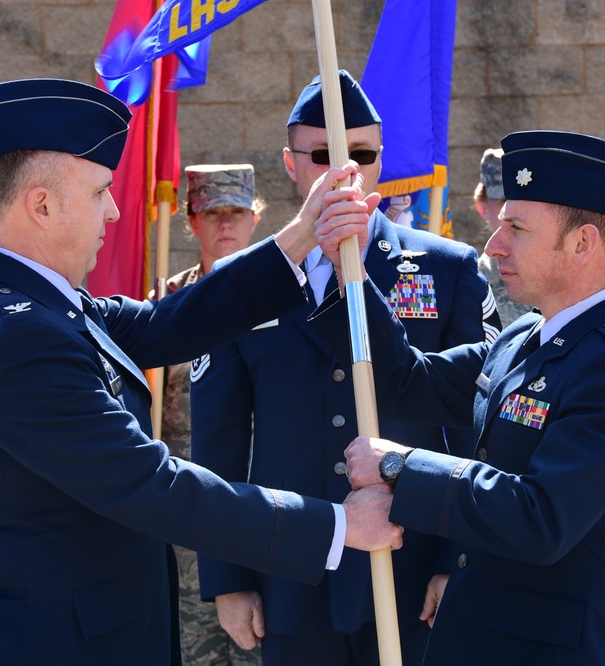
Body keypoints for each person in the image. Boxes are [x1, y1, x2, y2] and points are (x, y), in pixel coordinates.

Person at [0, 77, 401, 665]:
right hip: (57, 644)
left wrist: (303, 234)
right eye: (101, 190)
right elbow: (152, 484)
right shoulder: (17, 337)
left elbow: (164, 323)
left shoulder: (36, 302)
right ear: (42, 206)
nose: (115, 207)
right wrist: (338, 525)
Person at [313, 130, 605, 664]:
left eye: (516, 228)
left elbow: (541, 519)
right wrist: (354, 276)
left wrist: (402, 469)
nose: (493, 244)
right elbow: (408, 383)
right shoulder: (522, 336)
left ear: (583, 243)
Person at [190, 70, 502, 666]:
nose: (346, 168)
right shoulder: (243, 283)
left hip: (412, 563)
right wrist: (228, 577)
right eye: (324, 153)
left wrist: (454, 561)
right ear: (290, 163)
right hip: (292, 567)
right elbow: (219, 443)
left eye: (362, 152)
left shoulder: (445, 268)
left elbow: (473, 427)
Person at [159, 163, 265, 666]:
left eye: (237, 212)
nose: (226, 224)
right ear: (192, 221)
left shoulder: (285, 300)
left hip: (262, 504)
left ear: (255, 219)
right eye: (212, 212)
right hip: (187, 511)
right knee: (194, 649)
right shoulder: (163, 308)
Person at [474, 148, 532, 327]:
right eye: (504, 202)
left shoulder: (565, 278)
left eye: (525, 202)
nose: (514, 212)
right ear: (483, 208)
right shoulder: (470, 284)